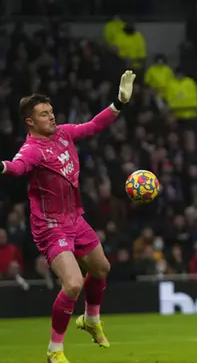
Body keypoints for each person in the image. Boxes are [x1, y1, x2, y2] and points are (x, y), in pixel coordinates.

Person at [0, 71, 136, 363]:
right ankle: (54, 351)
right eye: (44, 114)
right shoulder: (33, 150)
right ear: (30, 122)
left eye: (51, 112)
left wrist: (118, 104)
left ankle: (90, 319)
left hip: (75, 218)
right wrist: (1, 166)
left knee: (101, 268)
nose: (51, 117)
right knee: (73, 283)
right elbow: (18, 167)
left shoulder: (62, 133)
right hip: (50, 226)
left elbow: (93, 126)